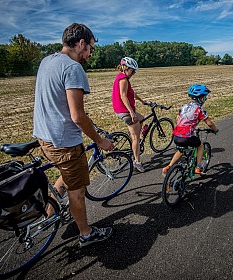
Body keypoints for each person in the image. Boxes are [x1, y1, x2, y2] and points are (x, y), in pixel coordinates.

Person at [33, 23, 114, 248]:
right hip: (64, 142)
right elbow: (77, 116)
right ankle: (86, 234)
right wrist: (99, 140)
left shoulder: (47, 61)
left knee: (64, 173)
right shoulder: (73, 68)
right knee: (77, 191)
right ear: (81, 43)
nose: (90, 53)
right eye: (90, 48)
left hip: (44, 137)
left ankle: (49, 217)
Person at [162, 84, 218, 177]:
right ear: (200, 98)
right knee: (200, 146)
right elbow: (210, 123)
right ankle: (198, 167)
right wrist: (215, 130)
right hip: (186, 136)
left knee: (181, 150)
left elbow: (178, 118)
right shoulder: (199, 110)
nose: (205, 99)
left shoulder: (184, 106)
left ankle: (168, 167)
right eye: (204, 97)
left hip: (176, 136)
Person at [111, 57, 147, 172]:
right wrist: (132, 112)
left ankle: (135, 134)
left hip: (123, 109)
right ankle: (137, 162)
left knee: (142, 118)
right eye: (132, 71)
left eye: (134, 71)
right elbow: (123, 95)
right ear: (125, 68)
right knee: (136, 138)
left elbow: (131, 93)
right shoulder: (123, 79)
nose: (133, 73)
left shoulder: (123, 78)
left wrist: (142, 101)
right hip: (125, 111)